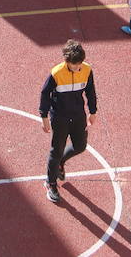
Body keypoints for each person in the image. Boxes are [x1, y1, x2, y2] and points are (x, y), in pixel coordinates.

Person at [39, 38, 97, 204]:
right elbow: (45, 94)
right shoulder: (56, 73)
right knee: (56, 150)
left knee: (80, 146)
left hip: (78, 115)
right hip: (60, 117)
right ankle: (50, 183)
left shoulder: (86, 70)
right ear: (66, 61)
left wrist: (93, 112)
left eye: (79, 64)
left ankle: (61, 162)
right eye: (74, 65)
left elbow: (91, 91)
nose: (77, 67)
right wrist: (44, 117)